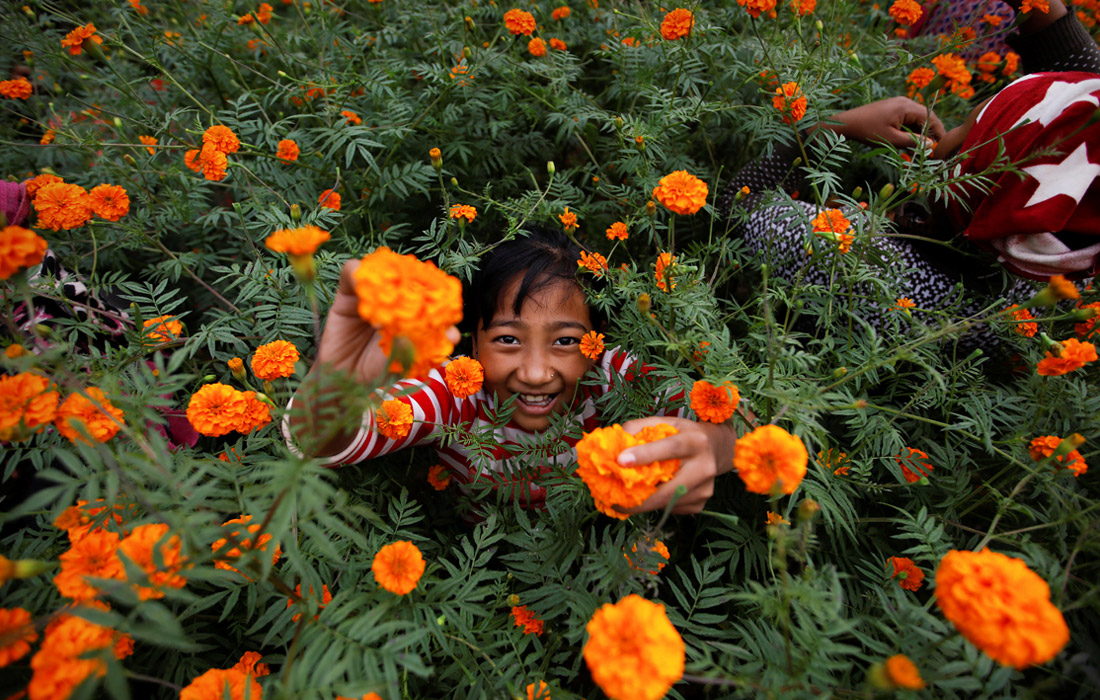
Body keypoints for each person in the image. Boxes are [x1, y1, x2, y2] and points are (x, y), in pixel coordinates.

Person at [284, 227, 741, 516]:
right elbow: (327, 443)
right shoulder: (453, 393)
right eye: (507, 339)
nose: (537, 372)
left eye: (565, 340)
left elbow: (728, 418)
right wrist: (335, 385)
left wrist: (720, 446)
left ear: (596, 342)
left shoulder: (610, 375)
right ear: (473, 342)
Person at [719, 0, 1100, 345]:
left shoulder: (867, 269)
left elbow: (739, 206)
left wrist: (826, 129)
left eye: (960, 131)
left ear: (956, 185)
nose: (946, 129)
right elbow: (1078, 103)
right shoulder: (1064, 252)